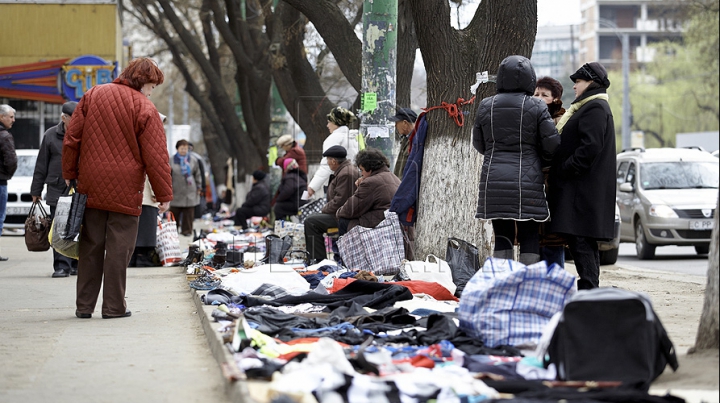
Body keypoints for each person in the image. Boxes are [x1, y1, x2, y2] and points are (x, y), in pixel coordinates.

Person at [62, 57, 172, 319]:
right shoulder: (145, 108)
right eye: (152, 85)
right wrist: (164, 194)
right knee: (119, 249)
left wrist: (69, 172)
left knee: (90, 246)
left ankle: (84, 307)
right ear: (143, 81)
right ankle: (113, 307)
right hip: (126, 188)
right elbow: (156, 157)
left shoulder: (93, 94)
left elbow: (72, 138)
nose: (151, 90)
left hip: (91, 184)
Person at [472, 55, 560, 265]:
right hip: (527, 183)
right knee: (529, 234)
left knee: (502, 235)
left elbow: (479, 144)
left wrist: (495, 151)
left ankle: (504, 280)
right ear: (530, 78)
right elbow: (552, 144)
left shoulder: (486, 105)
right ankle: (527, 283)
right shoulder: (537, 106)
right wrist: (540, 159)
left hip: (494, 182)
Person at [548, 62, 617, 289]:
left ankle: (589, 291)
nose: (575, 86)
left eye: (578, 81)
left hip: (582, 192)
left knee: (581, 241)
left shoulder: (594, 108)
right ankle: (589, 290)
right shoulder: (589, 107)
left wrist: (565, 167)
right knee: (582, 242)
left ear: (591, 83)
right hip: (581, 190)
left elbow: (590, 147)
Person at [31, 101, 79, 276]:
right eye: (74, 119)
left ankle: (75, 264)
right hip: (57, 189)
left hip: (80, 189)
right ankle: (61, 266)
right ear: (64, 118)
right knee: (59, 228)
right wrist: (36, 191)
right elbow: (41, 164)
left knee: (78, 227)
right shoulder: (51, 135)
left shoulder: (85, 134)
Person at [304, 145, 360, 262]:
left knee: (311, 222)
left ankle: (318, 260)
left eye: (328, 160)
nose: (328, 163)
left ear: (334, 161)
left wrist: (324, 209)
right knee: (313, 218)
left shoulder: (346, 173)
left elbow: (340, 201)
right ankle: (316, 258)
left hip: (344, 216)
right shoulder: (344, 171)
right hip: (341, 213)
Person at [533, 76, 567, 268]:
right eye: (536, 93)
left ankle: (556, 281)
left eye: (544, 95)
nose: (538, 98)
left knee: (553, 239)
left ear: (555, 99)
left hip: (553, 185)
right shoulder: (528, 115)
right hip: (533, 183)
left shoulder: (561, 119)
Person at [336, 148, 400, 235]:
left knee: (344, 221)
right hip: (394, 224)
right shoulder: (392, 176)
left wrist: (338, 212)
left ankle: (348, 249)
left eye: (361, 170)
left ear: (369, 169)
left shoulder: (371, 182)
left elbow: (351, 209)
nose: (361, 174)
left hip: (382, 225)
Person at [307, 106, 360, 198]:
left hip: (335, 182)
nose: (327, 125)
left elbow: (327, 165)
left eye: (329, 122)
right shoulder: (352, 138)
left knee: (333, 208)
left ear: (336, 123)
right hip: (352, 180)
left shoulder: (334, 139)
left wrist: (312, 187)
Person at [169, 139, 203, 236]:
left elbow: (197, 174)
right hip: (176, 190)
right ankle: (173, 232)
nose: (184, 150)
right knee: (175, 212)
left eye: (186, 148)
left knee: (189, 213)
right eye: (182, 148)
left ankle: (187, 231)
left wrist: (199, 186)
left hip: (190, 190)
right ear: (177, 149)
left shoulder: (193, 160)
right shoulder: (171, 160)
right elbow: (168, 175)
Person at [0, 104, 17, 261]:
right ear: (1, 117)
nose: (13, 120)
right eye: (11, 117)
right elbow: (11, 161)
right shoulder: (4, 136)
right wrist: (6, 175)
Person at [389, 107, 417, 179]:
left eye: (397, 122)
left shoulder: (415, 140)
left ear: (405, 123)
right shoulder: (406, 138)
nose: (395, 125)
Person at [187, 142, 207, 219]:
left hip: (194, 186)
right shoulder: (197, 157)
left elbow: (201, 173)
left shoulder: (196, 158)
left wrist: (203, 187)